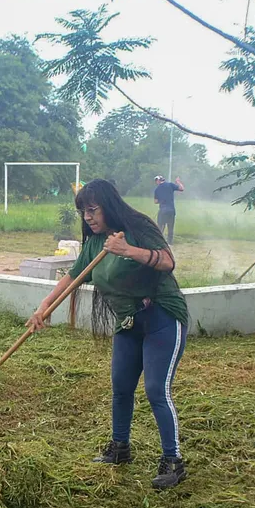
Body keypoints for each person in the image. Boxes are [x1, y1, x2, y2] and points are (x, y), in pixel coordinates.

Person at [26, 179, 191, 490]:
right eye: (83, 212)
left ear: (109, 205)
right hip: (128, 322)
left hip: (162, 317)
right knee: (121, 387)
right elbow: (73, 277)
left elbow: (168, 262)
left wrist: (128, 250)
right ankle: (119, 449)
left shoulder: (138, 227)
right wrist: (44, 307)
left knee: (156, 390)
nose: (87, 217)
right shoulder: (94, 243)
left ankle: (173, 461)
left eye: (93, 209)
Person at [153, 175, 185, 244]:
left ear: (158, 180)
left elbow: (155, 201)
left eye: (156, 181)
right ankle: (170, 243)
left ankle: (160, 242)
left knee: (161, 227)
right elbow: (182, 189)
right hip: (171, 211)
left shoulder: (157, 189)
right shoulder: (170, 185)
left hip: (163, 211)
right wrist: (178, 182)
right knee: (170, 228)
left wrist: (160, 201)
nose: (156, 182)